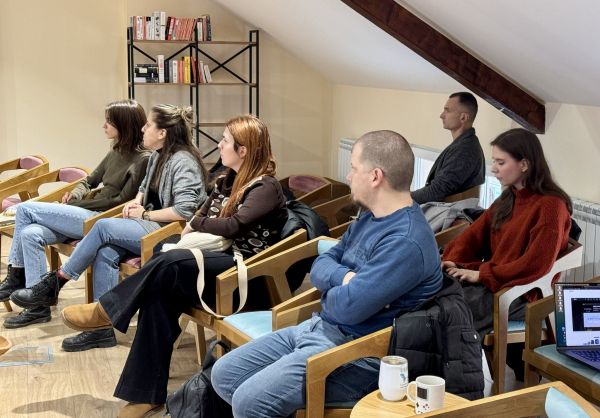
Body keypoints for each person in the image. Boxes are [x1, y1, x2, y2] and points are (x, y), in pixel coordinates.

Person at [60, 115, 289, 418]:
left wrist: (197, 223)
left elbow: (232, 226)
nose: (219, 145)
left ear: (243, 150)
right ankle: (145, 397)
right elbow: (202, 215)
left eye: (225, 140)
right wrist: (198, 222)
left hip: (247, 276)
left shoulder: (266, 187)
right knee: (157, 298)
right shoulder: (226, 181)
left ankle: (107, 310)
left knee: (170, 259)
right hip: (216, 269)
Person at [204, 130, 442, 417]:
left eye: (354, 168)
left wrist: (332, 289)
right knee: (224, 373)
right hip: (321, 328)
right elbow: (322, 262)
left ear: (375, 176)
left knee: (249, 401)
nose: (349, 176)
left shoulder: (405, 241)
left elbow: (347, 308)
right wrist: (343, 279)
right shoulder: (371, 216)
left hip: (359, 353)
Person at [10, 104, 208, 352]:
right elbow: (142, 189)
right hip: (147, 224)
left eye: (148, 125)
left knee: (102, 226)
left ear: (162, 133)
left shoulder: (183, 161)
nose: (143, 129)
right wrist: (137, 202)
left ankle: (57, 281)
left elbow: (184, 211)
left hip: (169, 233)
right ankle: (101, 330)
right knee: (105, 252)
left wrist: (144, 213)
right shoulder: (159, 155)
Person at [0, 99, 150, 329]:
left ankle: (15, 276)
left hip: (102, 221)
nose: (104, 125)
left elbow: (120, 201)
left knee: (25, 209)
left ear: (124, 124)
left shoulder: (144, 159)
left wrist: (81, 203)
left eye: (109, 121)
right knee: (30, 234)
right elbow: (89, 181)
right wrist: (76, 193)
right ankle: (38, 308)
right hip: (83, 212)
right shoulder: (116, 150)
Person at [443, 128, 572, 338]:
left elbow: (534, 264)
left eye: (501, 162)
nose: (493, 168)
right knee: (434, 294)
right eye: (494, 161)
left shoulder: (551, 206)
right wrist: (452, 260)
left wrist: (482, 274)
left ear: (524, 164)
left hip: (522, 293)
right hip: (498, 283)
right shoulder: (509, 197)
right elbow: (473, 235)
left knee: (446, 314)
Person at [411, 92, 485, 204]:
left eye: (447, 110)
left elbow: (436, 191)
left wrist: (403, 198)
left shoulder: (464, 149)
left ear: (463, 117)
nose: (442, 115)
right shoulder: (464, 144)